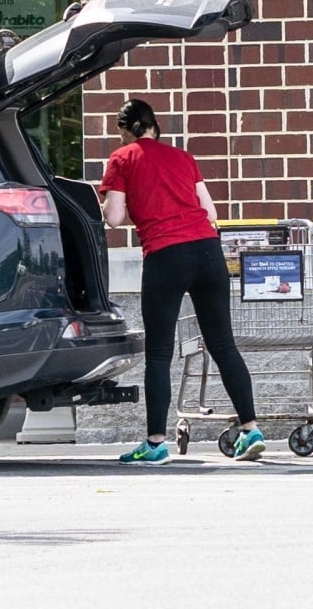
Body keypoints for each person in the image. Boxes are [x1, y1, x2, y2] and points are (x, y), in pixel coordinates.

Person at [99, 98, 265, 464]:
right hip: (207, 252)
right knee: (223, 345)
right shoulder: (183, 157)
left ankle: (156, 443)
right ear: (155, 126)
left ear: (125, 130)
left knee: (159, 353)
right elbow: (210, 211)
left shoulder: (123, 158)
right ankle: (251, 429)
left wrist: (128, 203)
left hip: (165, 255)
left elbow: (113, 217)